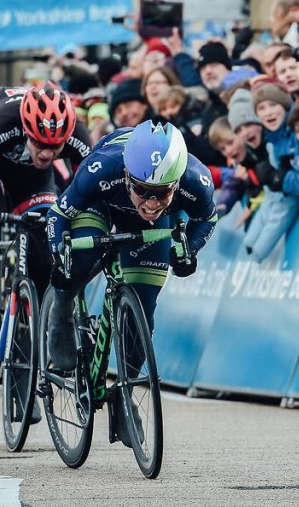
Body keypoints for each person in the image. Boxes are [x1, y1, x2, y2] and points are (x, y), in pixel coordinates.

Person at [45, 122, 217, 447]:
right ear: (127, 176)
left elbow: (206, 219)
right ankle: (62, 312)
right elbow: (58, 215)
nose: (151, 203)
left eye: (163, 193)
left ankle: (123, 392)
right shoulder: (102, 167)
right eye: (142, 191)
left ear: (177, 182)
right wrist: (60, 261)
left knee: (144, 306)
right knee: (79, 261)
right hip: (99, 208)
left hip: (148, 230)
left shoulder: (196, 179)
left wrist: (189, 251)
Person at [0, 83, 92, 348]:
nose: (47, 153)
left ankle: (37, 324)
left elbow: (85, 191)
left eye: (55, 147)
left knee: (44, 248)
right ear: (25, 128)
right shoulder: (2, 121)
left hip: (34, 181)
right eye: (38, 143)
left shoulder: (77, 134)